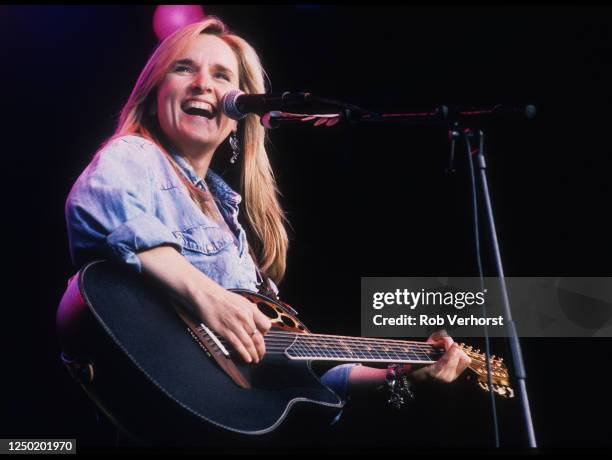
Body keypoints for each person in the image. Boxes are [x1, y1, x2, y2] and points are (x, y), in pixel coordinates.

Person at [60, 16, 471, 439]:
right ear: (154, 92)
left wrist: (398, 373)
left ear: (239, 114)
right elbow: (98, 202)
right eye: (184, 68)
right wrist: (208, 298)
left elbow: (294, 385)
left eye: (222, 76)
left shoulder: (229, 218)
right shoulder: (135, 156)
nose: (204, 84)